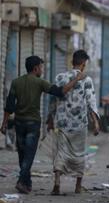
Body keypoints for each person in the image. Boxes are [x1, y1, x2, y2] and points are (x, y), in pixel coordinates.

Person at [1, 56, 87, 194]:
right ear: (35, 68)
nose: (42, 70)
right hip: (33, 123)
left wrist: (4, 123)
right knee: (29, 155)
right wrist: (76, 79)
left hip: (19, 122)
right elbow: (60, 92)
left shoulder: (16, 82)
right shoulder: (40, 82)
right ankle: (21, 181)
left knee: (22, 154)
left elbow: (9, 106)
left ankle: (26, 183)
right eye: (41, 67)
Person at [47, 50, 101, 195]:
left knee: (60, 152)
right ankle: (78, 186)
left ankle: (57, 182)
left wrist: (50, 119)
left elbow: (52, 100)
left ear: (72, 62)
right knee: (79, 154)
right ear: (84, 64)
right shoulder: (86, 80)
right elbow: (91, 102)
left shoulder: (59, 78)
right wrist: (95, 122)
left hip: (62, 122)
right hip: (79, 124)